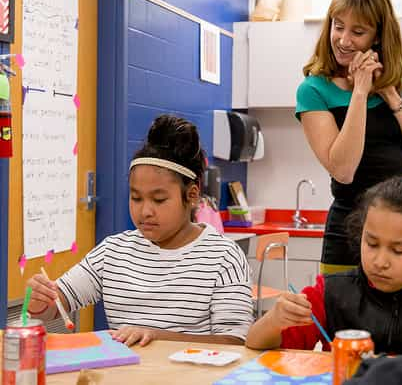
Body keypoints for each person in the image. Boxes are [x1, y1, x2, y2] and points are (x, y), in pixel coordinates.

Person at [26, 115, 254, 346]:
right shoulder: (113, 251)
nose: (145, 211)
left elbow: (235, 341)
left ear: (192, 195)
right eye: (136, 198)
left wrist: (156, 336)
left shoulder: (224, 256)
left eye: (159, 199)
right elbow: (56, 306)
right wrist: (42, 303)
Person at [245, 177, 402, 354]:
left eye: (398, 250)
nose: (380, 262)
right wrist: (275, 319)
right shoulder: (331, 292)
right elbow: (256, 344)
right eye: (372, 244)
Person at [296, 0, 402, 274]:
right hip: (349, 228)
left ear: (377, 36)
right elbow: (343, 170)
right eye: (338, 26)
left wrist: (389, 92)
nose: (344, 40)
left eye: (357, 32)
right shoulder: (313, 90)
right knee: (343, 319)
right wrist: (360, 91)